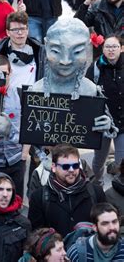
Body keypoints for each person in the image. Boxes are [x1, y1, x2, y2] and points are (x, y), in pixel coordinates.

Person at [28, 144, 107, 237]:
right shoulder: (39, 198)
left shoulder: (96, 192)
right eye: (65, 166)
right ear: (53, 167)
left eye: (75, 165)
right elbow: (37, 235)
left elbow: (105, 225)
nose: (71, 170)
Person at [0, 55, 28, 197]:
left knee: (16, 200)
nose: (1, 77)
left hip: (15, 158)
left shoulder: (20, 94)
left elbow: (29, 125)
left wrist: (24, 154)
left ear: (10, 73)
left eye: (4, 73)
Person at [86, 35, 123, 185]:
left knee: (122, 162)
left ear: (121, 48)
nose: (111, 50)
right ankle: (98, 184)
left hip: (122, 123)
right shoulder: (95, 68)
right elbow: (86, 93)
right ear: (103, 49)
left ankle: (117, 191)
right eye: (108, 47)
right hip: (102, 123)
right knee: (99, 160)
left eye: (114, 46)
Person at [0, 11, 46, 87]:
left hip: (31, 98)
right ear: (8, 32)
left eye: (23, 28)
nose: (20, 33)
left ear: (27, 30)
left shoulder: (40, 51)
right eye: (15, 29)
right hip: (7, 98)